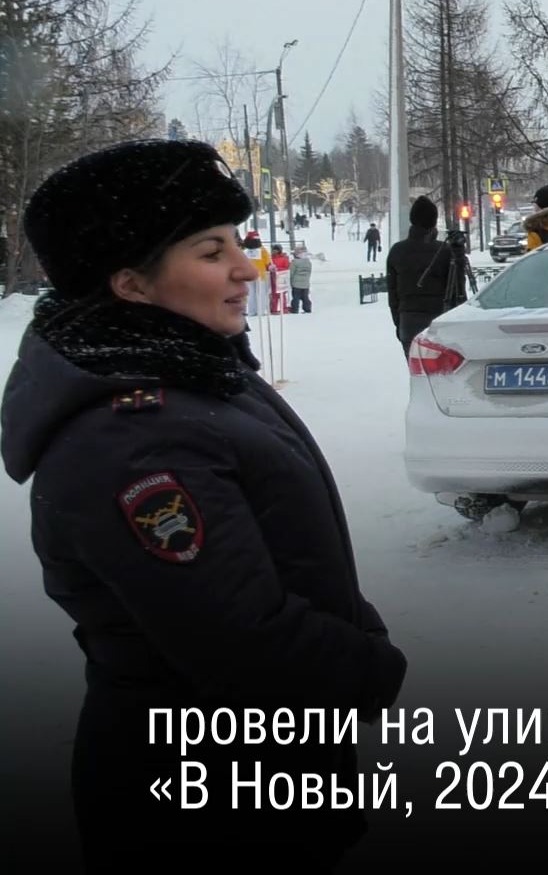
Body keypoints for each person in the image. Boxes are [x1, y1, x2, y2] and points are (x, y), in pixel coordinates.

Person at [0, 139, 407, 873]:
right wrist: (368, 666)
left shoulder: (191, 380)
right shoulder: (135, 439)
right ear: (130, 283)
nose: (246, 268)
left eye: (237, 244)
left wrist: (352, 627)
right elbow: (243, 642)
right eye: (212, 251)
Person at [385, 195, 468, 359]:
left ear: (412, 220)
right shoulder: (445, 251)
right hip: (439, 320)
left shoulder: (397, 251)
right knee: (443, 371)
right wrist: (459, 257)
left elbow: (393, 295)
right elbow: (457, 289)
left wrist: (399, 322)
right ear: (434, 222)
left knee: (417, 371)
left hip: (408, 320)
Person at [289, 245, 314, 313]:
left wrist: (291, 282)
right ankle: (307, 308)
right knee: (305, 297)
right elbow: (309, 272)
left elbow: (291, 273)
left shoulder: (294, 262)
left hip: (296, 283)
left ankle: (294, 309)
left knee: (296, 298)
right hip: (306, 283)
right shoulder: (308, 262)